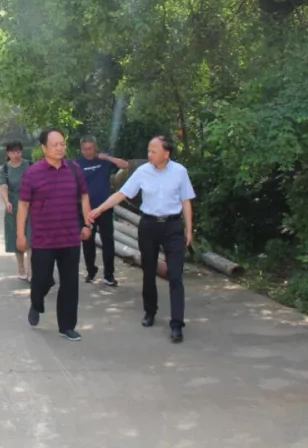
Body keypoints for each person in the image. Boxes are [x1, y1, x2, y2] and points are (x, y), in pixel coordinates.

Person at [89, 136, 195, 343]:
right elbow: (121, 194)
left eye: (154, 151)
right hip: (148, 226)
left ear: (167, 153)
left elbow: (186, 201)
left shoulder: (180, 172)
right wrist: (100, 209)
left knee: (175, 275)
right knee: (148, 270)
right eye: (148, 150)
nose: (149, 154)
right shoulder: (142, 171)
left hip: (173, 226)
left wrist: (189, 230)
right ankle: (150, 311)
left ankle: (177, 324)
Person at [17, 129, 93, 341]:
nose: (60, 148)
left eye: (62, 144)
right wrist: (21, 235)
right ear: (44, 148)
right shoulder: (32, 173)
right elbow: (23, 205)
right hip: (43, 240)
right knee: (41, 280)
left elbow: (84, 197)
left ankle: (67, 326)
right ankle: (36, 302)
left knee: (70, 283)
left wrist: (88, 224)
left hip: (70, 237)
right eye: (55, 145)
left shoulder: (74, 170)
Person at [76, 135, 129, 286]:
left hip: (104, 208)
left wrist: (106, 158)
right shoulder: (77, 164)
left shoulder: (104, 161)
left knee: (108, 241)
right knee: (88, 241)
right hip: (86, 209)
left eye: (91, 149)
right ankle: (91, 271)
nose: (88, 152)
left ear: (95, 147)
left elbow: (125, 165)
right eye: (85, 149)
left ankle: (109, 275)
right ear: (81, 149)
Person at [0, 141, 32, 280]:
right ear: (8, 153)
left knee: (30, 237)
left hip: (31, 206)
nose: (16, 155)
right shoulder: (5, 169)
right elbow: (3, 187)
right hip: (13, 207)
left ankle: (31, 270)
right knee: (17, 237)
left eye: (18, 151)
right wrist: (7, 202)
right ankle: (21, 268)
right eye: (13, 152)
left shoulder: (30, 165)